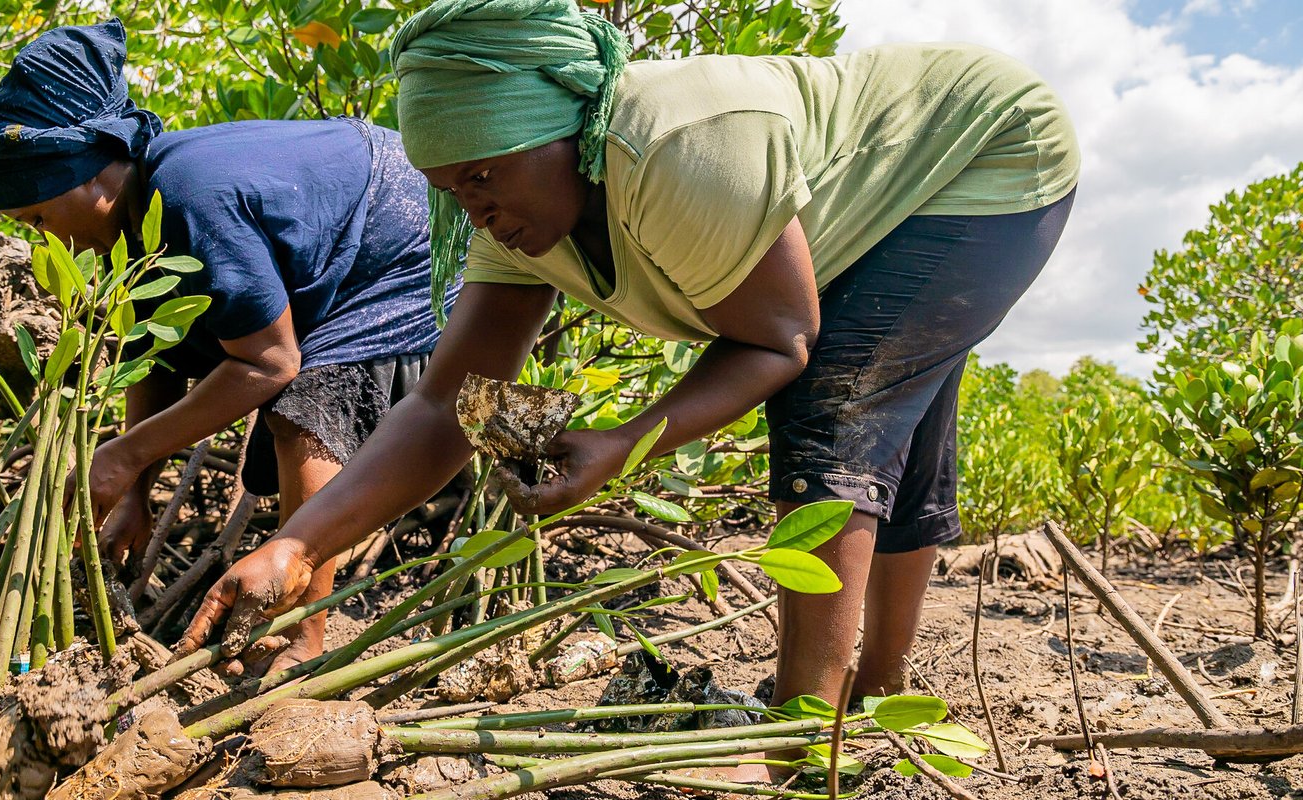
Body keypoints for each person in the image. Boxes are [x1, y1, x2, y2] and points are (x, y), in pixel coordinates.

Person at [177, 0, 1078, 747]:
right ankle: (881, 703)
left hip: (985, 154)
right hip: (862, 204)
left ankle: (806, 736)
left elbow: (779, 343)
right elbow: (448, 404)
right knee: (888, 414)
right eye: (454, 191)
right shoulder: (513, 221)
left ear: (568, 135)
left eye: (486, 175)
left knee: (837, 402)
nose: (477, 211)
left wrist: (622, 443)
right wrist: (301, 545)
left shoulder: (679, 150)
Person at [0, 19, 445, 673]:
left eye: (40, 218)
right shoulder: (135, 229)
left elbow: (271, 361)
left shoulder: (185, 192)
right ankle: (285, 629)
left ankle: (302, 645)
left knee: (304, 412)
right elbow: (157, 353)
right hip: (355, 234)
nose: (44, 242)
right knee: (277, 389)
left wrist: (122, 452)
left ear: (96, 181)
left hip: (401, 232)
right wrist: (135, 483)